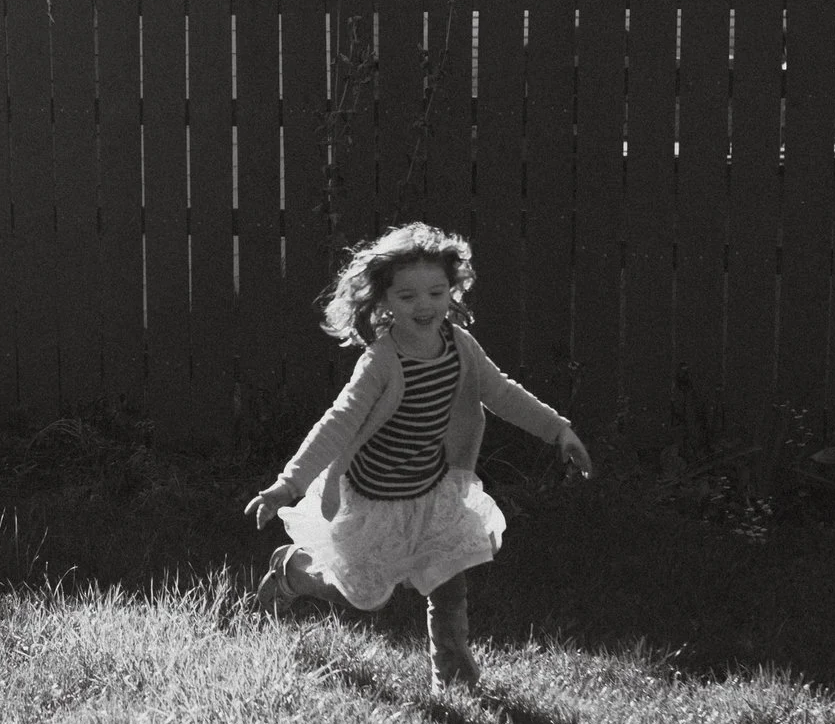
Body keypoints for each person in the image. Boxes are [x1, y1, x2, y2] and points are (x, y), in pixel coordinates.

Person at [245, 222, 591, 689]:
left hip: (431, 490)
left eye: (436, 291)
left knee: (449, 580)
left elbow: (502, 392)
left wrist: (559, 431)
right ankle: (295, 572)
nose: (425, 305)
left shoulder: (461, 347)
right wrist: (289, 484)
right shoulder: (381, 362)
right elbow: (338, 422)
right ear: (383, 301)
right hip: (373, 499)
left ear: (453, 290)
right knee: (363, 594)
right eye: (407, 297)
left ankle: (453, 673)